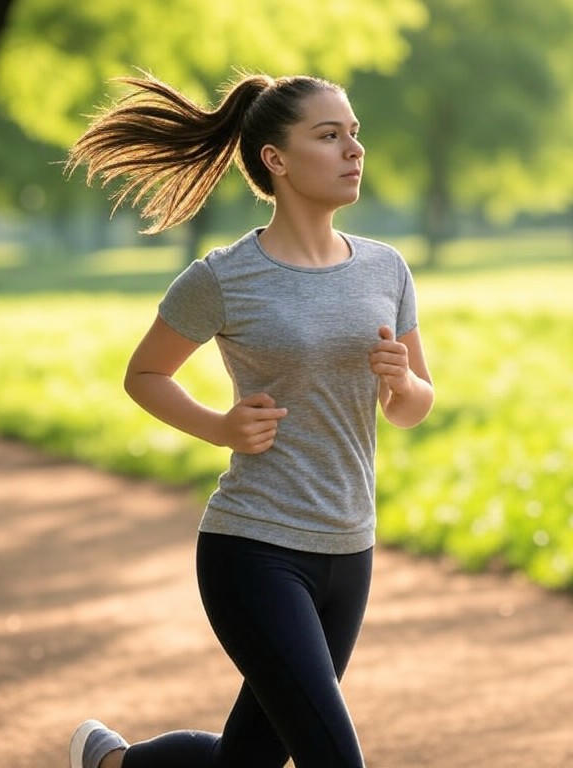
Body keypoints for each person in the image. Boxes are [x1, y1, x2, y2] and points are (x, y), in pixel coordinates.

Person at [63, 71, 434, 768]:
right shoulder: (225, 276)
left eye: (354, 133)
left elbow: (416, 405)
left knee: (251, 761)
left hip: (350, 547)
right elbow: (144, 374)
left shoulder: (387, 268)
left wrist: (404, 382)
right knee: (331, 757)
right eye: (330, 135)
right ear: (277, 159)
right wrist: (220, 427)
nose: (354, 149)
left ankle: (115, 764)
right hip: (253, 549)